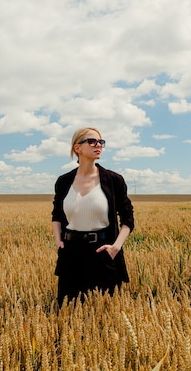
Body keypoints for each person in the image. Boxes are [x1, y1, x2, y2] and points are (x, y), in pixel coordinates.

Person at [51, 127, 135, 306]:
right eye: (92, 141)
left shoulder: (114, 180)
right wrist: (59, 241)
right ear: (77, 148)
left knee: (103, 316)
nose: (98, 145)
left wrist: (115, 247)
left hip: (102, 253)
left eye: (101, 142)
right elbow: (57, 214)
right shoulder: (63, 181)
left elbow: (128, 218)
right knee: (67, 313)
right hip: (71, 254)